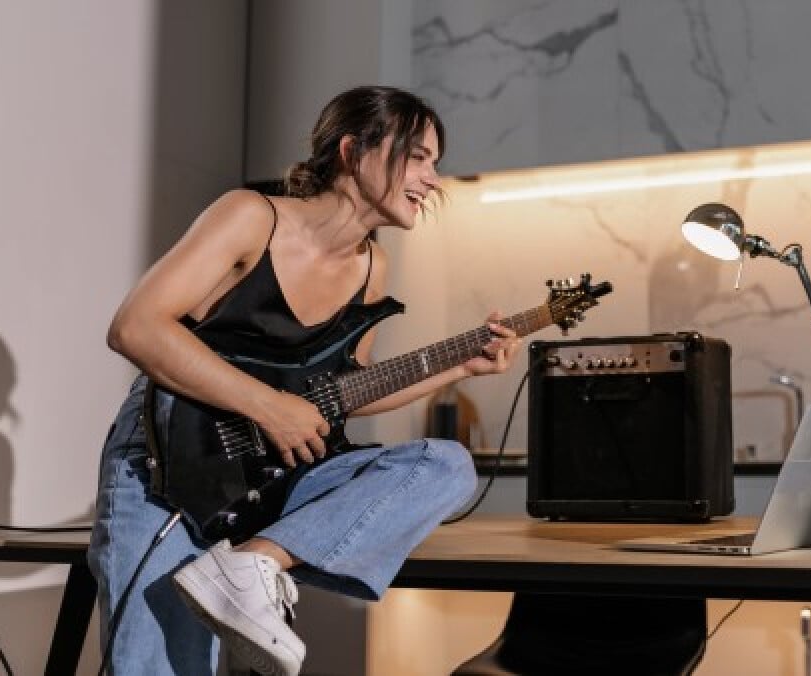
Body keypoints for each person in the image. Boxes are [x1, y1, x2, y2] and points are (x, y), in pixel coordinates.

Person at [88, 85, 521, 675]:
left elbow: (343, 392)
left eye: (435, 163)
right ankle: (238, 572)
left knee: (446, 466)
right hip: (165, 460)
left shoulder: (373, 266)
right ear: (353, 150)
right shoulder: (249, 216)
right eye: (418, 156)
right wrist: (268, 406)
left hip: (270, 473)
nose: (433, 179)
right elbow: (136, 327)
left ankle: (254, 565)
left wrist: (459, 365)